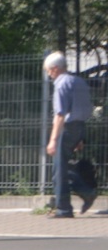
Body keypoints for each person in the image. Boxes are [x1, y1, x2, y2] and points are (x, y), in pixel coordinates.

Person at [44, 51, 96, 216]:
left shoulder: (61, 84)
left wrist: (52, 140)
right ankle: (86, 193)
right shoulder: (79, 81)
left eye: (48, 70)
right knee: (63, 166)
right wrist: (81, 137)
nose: (48, 74)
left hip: (66, 128)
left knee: (59, 170)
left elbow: (60, 114)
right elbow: (86, 108)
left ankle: (64, 208)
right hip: (79, 127)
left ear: (55, 69)